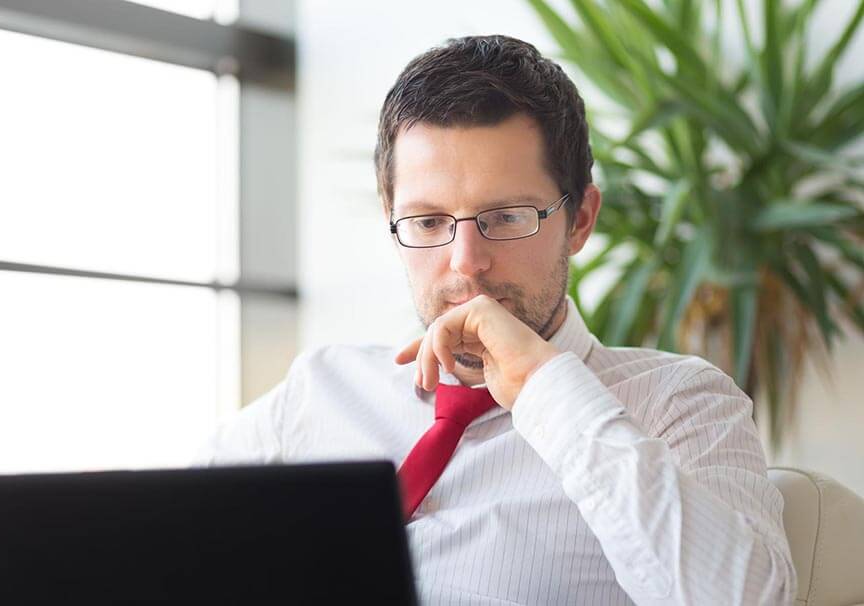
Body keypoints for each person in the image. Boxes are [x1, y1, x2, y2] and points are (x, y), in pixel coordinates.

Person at [196, 35, 796, 605]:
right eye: (428, 222)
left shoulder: (681, 403)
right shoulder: (321, 391)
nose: (466, 265)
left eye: (507, 217)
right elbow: (156, 533)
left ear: (581, 219)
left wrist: (545, 388)